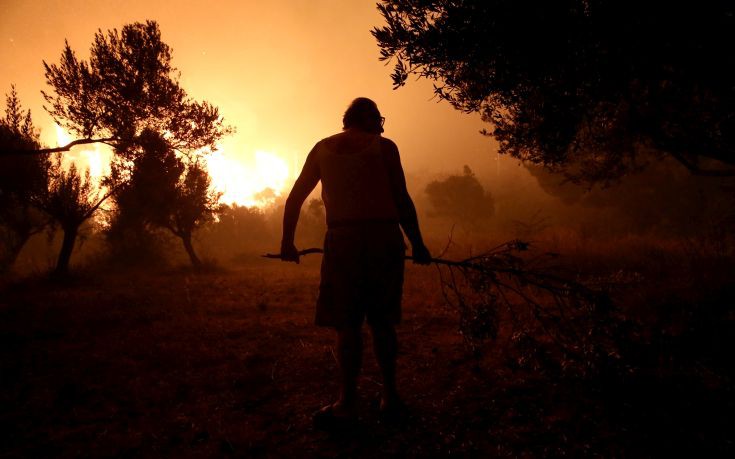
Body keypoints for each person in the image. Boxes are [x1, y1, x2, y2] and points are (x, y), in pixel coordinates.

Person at [280, 97, 431, 424]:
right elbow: (401, 199)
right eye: (380, 119)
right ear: (372, 119)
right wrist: (417, 243)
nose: (382, 126)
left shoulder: (322, 149)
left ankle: (347, 402)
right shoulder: (385, 147)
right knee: (382, 323)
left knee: (347, 326)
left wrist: (287, 242)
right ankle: (390, 398)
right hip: (383, 239)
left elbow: (295, 198)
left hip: (342, 240)